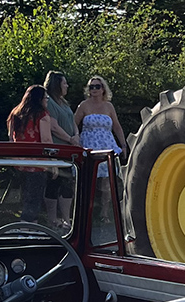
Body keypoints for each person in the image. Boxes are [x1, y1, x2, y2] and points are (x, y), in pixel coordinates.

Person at [74, 75, 127, 222]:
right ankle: (85, 213)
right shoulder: (83, 105)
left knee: (106, 182)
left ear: (103, 89)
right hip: (89, 145)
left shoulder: (109, 106)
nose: (94, 89)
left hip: (106, 145)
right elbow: (73, 123)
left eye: (97, 86)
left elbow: (116, 126)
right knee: (87, 180)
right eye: (91, 87)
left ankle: (104, 214)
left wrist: (123, 145)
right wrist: (75, 139)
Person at [7, 85, 57, 224]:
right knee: (35, 197)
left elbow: (11, 138)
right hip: (37, 163)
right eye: (45, 97)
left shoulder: (15, 113)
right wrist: (53, 162)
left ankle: (24, 225)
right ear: (39, 99)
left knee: (25, 196)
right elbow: (46, 140)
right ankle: (28, 227)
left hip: (19, 162)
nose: (46, 100)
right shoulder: (42, 114)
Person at [43, 71, 78, 230]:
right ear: (57, 85)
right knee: (54, 182)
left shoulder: (64, 102)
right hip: (57, 149)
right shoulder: (49, 102)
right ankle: (52, 218)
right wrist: (69, 139)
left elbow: (72, 120)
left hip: (69, 150)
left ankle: (66, 218)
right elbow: (53, 126)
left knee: (67, 184)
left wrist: (76, 135)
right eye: (64, 83)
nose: (67, 86)